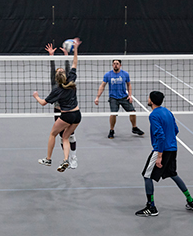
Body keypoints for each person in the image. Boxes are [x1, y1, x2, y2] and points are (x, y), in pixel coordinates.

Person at [135, 91, 193, 217]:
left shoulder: (154, 115)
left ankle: (151, 207)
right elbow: (175, 130)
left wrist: (159, 155)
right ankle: (190, 201)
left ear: (152, 101)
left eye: (149, 98)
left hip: (162, 150)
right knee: (173, 174)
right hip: (173, 149)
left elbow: (160, 135)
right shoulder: (168, 112)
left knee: (147, 176)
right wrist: (169, 143)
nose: (147, 99)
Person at [33, 38, 82, 172]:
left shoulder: (57, 89)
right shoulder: (71, 80)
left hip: (65, 114)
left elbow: (43, 103)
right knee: (64, 136)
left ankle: (50, 159)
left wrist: (36, 96)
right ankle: (66, 160)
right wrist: (75, 49)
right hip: (76, 114)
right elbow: (74, 64)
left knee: (55, 134)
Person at [45, 42, 78, 169]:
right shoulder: (55, 84)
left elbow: (69, 69)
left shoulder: (69, 82)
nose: (60, 71)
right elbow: (52, 70)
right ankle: (66, 158)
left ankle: (73, 157)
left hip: (69, 111)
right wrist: (51, 56)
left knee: (70, 135)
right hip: (58, 111)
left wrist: (66, 56)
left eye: (62, 71)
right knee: (61, 136)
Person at [94, 59, 144, 139]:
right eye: (114, 63)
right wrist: (97, 97)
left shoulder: (125, 74)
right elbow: (102, 86)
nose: (115, 65)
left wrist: (130, 95)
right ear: (112, 65)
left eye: (117, 63)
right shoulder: (108, 75)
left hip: (124, 97)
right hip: (113, 98)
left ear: (120, 65)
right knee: (113, 114)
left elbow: (129, 85)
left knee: (133, 112)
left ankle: (134, 128)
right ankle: (111, 130)